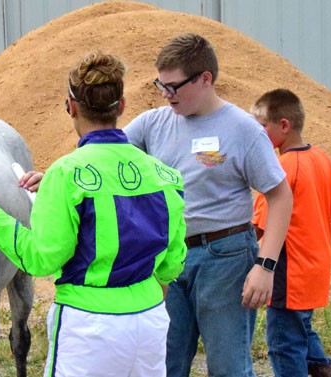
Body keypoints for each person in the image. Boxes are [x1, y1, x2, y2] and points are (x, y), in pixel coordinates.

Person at [0, 51, 188, 377]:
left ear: (72, 106)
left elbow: (41, 259)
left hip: (88, 327)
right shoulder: (165, 175)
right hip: (150, 322)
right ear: (121, 106)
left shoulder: (65, 174)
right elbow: (173, 260)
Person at [123, 33, 293, 377]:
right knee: (162, 365)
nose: (165, 94)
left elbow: (280, 196)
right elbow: (104, 155)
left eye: (173, 86)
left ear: (205, 79)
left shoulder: (243, 129)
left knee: (228, 367)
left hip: (226, 258)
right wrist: (56, 174)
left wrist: (265, 266)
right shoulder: (152, 123)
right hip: (168, 260)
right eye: (161, 84)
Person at [250, 88, 331, 377]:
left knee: (284, 345)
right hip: (315, 270)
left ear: (284, 125)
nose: (257, 133)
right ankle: (324, 372)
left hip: (290, 273)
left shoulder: (281, 167)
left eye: (262, 126)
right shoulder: (320, 158)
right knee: (301, 327)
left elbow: (259, 225)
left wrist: (238, 252)